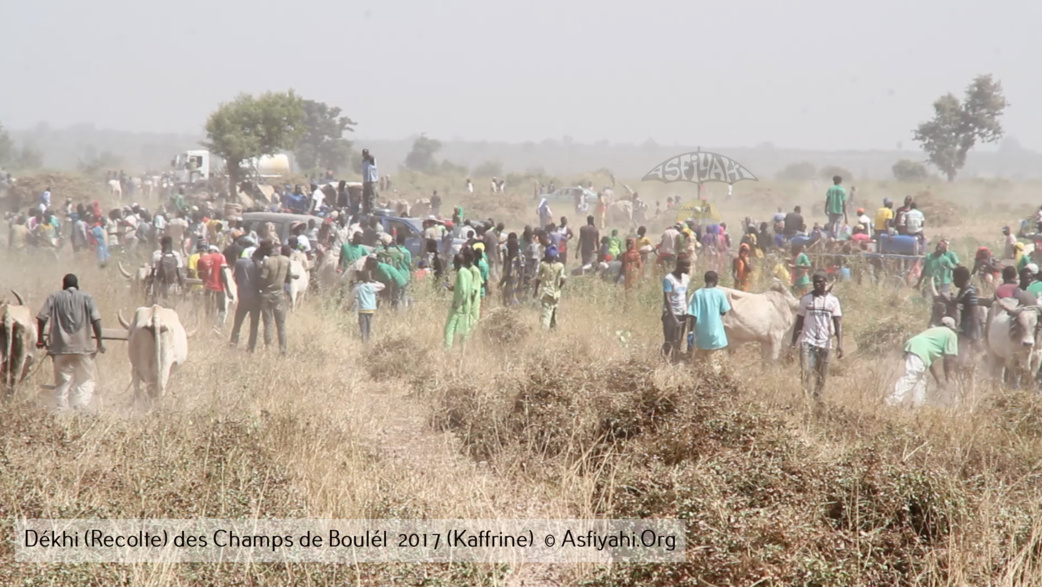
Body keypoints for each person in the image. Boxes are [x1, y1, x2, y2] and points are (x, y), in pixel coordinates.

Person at [36, 274, 104, 413]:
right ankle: (81, 406)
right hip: (83, 348)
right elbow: (96, 320)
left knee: (62, 381)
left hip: (60, 348)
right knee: (85, 379)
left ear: (63, 285)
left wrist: (40, 339)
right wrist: (100, 342)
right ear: (77, 286)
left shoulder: (54, 297)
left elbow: (42, 317)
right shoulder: (87, 298)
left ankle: (62, 409)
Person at [791, 272, 843, 403]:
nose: (817, 284)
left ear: (826, 282)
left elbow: (838, 322)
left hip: (825, 343)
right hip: (807, 341)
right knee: (806, 371)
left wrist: (840, 344)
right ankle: (806, 399)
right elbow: (799, 322)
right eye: (815, 282)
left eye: (820, 282)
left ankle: (818, 398)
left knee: (822, 375)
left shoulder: (833, 301)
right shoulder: (806, 299)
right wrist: (793, 344)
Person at [887, 317, 959, 408]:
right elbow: (949, 360)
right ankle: (893, 400)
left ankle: (918, 405)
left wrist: (938, 380)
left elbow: (929, 363)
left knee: (920, 380)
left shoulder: (934, 331)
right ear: (952, 327)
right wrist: (948, 379)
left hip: (912, 346)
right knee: (912, 376)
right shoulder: (951, 334)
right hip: (919, 349)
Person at [687, 270, 732, 374]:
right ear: (716, 281)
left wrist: (690, 332)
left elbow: (692, 315)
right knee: (714, 363)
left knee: (698, 362)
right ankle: (713, 382)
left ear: (705, 280)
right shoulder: (720, 293)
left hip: (701, 335)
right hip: (715, 334)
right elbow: (724, 311)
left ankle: (699, 380)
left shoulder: (697, 294)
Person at [258, 241, 295, 355]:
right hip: (279, 295)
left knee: (268, 323)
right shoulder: (286, 260)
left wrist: (261, 287)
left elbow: (263, 279)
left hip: (267, 295)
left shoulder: (267, 261)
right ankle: (283, 349)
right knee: (281, 324)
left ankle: (268, 348)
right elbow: (288, 279)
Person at [230, 248, 262, 351]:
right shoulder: (257, 264)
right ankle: (251, 347)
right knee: (254, 324)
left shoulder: (239, 263)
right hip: (255, 298)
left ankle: (233, 343)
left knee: (237, 323)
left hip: (243, 297)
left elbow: (235, 278)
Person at [661, 255, 691, 361]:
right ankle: (663, 361)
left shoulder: (686, 279)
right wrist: (673, 318)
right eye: (686, 266)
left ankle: (675, 362)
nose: (688, 268)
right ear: (679, 265)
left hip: (682, 313)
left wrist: (687, 311)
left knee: (678, 341)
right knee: (669, 341)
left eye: (689, 266)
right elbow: (667, 299)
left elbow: (685, 295)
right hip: (670, 314)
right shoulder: (669, 279)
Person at [197, 245, 232, 330]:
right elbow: (223, 273)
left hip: (207, 288)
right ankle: (217, 327)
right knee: (222, 309)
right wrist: (228, 290)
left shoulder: (202, 259)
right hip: (219, 287)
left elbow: (200, 275)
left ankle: (208, 327)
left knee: (209, 310)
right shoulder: (220, 257)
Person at [445, 251, 474, 350]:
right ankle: (463, 351)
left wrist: (458, 303)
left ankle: (447, 351)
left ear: (457, 262)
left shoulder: (461, 272)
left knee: (449, 329)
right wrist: (453, 288)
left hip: (458, 307)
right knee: (463, 331)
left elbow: (463, 290)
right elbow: (469, 289)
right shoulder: (468, 272)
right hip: (467, 306)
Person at [533, 245, 566, 329]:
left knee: (546, 314)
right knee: (554, 311)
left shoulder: (543, 265)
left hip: (546, 292)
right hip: (556, 293)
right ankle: (553, 329)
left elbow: (538, 279)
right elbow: (563, 279)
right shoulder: (560, 266)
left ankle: (544, 332)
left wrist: (536, 290)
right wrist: (559, 287)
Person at [353, 257, 385, 343]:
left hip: (362, 309)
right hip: (371, 309)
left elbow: (351, 298)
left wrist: (348, 305)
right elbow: (382, 285)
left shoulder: (358, 287)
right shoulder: (372, 286)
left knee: (363, 325)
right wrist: (373, 281)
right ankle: (368, 338)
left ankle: (364, 341)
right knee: (369, 324)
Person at [151, 235, 185, 304]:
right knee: (169, 303)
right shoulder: (176, 255)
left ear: (161, 244)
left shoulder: (156, 255)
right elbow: (179, 273)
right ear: (171, 244)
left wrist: (148, 285)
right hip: (171, 284)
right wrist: (182, 285)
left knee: (155, 300)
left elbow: (153, 272)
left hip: (158, 282)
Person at [361, 149, 378, 214]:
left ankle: (372, 211)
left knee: (372, 196)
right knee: (365, 196)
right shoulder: (363, 161)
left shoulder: (371, 160)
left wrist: (368, 156)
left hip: (372, 180)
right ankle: (365, 210)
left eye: (366, 154)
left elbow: (372, 157)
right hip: (366, 181)